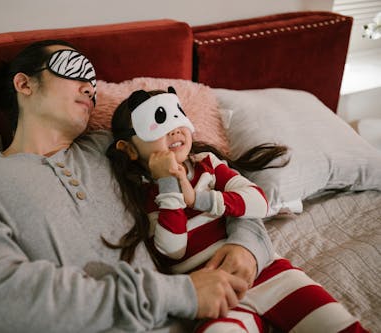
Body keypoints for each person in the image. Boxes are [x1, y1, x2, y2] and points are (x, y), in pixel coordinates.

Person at [0, 40, 276, 333]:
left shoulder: (120, 150)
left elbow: (213, 177)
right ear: (24, 84)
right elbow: (0, 305)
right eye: (73, 69)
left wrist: (248, 246)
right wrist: (178, 294)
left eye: (93, 81)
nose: (90, 87)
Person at [105, 87, 368, 333]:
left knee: (339, 325)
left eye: (177, 118)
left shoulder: (207, 164)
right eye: (160, 124)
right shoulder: (143, 195)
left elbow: (258, 202)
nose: (174, 130)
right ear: (128, 149)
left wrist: (197, 198)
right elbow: (174, 250)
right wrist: (169, 185)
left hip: (270, 272)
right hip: (216, 295)